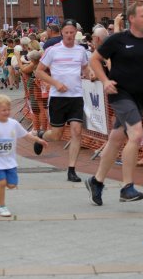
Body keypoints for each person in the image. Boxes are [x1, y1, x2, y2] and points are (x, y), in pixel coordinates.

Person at [87, 2, 143, 204]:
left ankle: (96, 181)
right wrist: (105, 81)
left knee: (116, 139)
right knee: (137, 134)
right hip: (119, 93)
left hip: (139, 97)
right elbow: (94, 60)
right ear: (132, 19)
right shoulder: (118, 39)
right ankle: (127, 187)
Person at [36, 19, 90, 182]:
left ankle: (71, 169)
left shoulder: (81, 50)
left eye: (72, 32)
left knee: (76, 132)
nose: (69, 35)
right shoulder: (53, 50)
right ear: (61, 33)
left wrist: (90, 74)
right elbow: (39, 72)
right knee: (57, 135)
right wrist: (56, 83)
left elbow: (85, 67)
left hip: (76, 96)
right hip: (58, 98)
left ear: (76, 33)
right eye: (66, 32)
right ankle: (42, 135)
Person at [0, 94, 48, 217]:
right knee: (2, 182)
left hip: (9, 161)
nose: (7, 112)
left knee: (12, 185)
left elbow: (26, 135)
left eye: (8, 109)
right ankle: (2, 207)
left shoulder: (13, 124)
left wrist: (38, 140)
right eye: (3, 110)